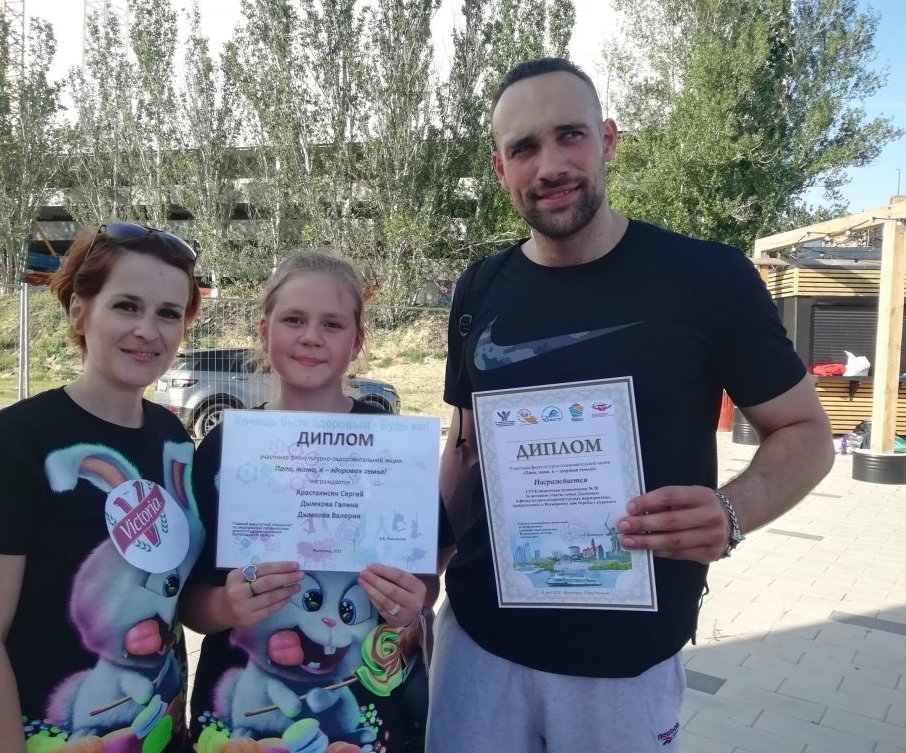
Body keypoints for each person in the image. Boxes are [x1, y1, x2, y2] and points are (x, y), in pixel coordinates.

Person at [428, 58, 834, 752]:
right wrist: (420, 578)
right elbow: (465, 451)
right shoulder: (480, 288)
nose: (550, 165)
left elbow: (806, 432)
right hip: (478, 650)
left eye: (570, 135)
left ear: (608, 140)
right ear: (500, 169)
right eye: (524, 148)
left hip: (624, 666)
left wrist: (733, 512)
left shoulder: (707, 278)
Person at [0, 222, 205, 753]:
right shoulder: (9, 447)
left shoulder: (174, 439)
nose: (148, 331)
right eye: (126, 306)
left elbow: (181, 597)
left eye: (168, 313)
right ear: (80, 312)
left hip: (162, 734)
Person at [182, 250, 450, 753]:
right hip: (242, 721)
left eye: (332, 324)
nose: (311, 336)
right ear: (264, 330)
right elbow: (191, 602)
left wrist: (410, 606)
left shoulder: (394, 448)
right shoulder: (225, 447)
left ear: (357, 341)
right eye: (294, 320)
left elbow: (424, 582)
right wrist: (225, 605)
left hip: (365, 721)